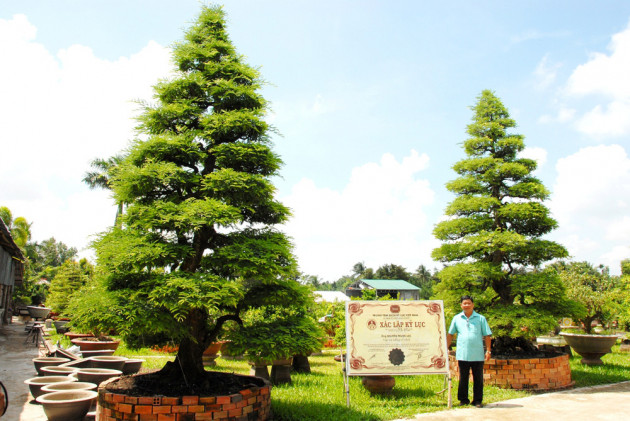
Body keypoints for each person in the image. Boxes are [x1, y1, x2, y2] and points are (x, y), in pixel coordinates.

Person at [446, 295, 492, 408]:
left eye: (469, 303)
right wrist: (446, 348)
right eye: (464, 303)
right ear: (461, 305)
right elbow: (450, 334)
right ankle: (463, 399)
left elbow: (487, 335)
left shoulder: (480, 318)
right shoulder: (457, 318)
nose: (466, 305)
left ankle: (477, 401)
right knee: (463, 378)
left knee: (478, 378)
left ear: (473, 305)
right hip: (463, 354)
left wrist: (488, 351)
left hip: (477, 354)